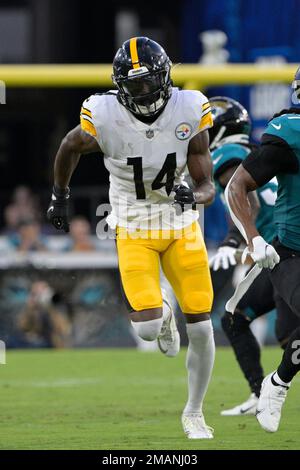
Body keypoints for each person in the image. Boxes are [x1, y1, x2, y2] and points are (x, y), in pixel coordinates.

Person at [47, 37, 216, 439]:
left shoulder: (189, 108)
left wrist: (195, 194)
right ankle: (164, 316)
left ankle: (194, 412)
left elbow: (207, 182)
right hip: (134, 226)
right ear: (120, 86)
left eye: (147, 83)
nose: (142, 93)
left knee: (204, 328)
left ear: (165, 77)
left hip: (179, 226)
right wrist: (60, 196)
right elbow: (70, 146)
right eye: (133, 85)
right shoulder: (104, 114)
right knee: (145, 328)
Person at [208, 96, 300, 416]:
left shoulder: (228, 153)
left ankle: (269, 390)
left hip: (276, 248)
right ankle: (262, 393)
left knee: (285, 334)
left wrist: (236, 239)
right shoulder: (259, 147)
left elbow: (245, 194)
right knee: (240, 320)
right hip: (277, 246)